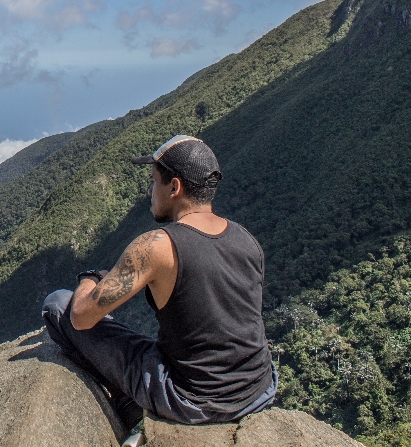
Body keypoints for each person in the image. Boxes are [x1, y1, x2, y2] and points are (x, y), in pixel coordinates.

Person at [42, 135, 277, 431]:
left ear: (175, 187)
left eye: (154, 182)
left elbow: (81, 317)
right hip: (259, 388)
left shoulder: (157, 246)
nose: (150, 191)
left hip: (192, 399)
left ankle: (128, 406)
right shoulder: (246, 239)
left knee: (58, 305)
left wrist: (90, 278)